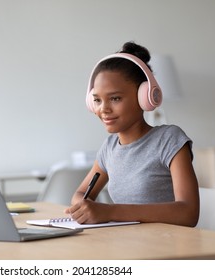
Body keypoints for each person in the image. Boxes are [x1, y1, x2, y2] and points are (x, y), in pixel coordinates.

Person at [65, 41, 199, 227]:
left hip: (165, 246)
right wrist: (83, 206)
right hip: (127, 244)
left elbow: (188, 213)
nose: (104, 109)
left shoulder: (169, 139)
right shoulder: (109, 147)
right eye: (97, 100)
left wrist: (110, 211)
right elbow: (79, 194)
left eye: (115, 98)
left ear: (144, 96)